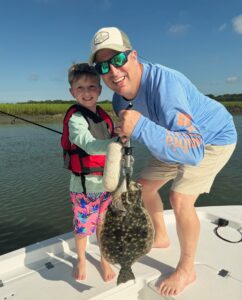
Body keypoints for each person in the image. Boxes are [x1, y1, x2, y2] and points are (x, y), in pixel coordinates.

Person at [88, 27, 237, 296]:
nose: (113, 71)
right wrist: (121, 138)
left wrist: (140, 126)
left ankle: (187, 268)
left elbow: (193, 152)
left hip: (211, 139)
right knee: (141, 189)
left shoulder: (165, 84)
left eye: (118, 59)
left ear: (133, 56)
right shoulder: (119, 100)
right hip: (171, 139)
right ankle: (162, 236)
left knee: (180, 198)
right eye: (103, 66)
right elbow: (135, 130)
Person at [62, 63, 117, 282]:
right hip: (83, 188)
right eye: (81, 87)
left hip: (106, 185)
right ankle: (82, 259)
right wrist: (115, 143)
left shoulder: (103, 116)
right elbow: (88, 143)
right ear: (72, 91)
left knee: (103, 225)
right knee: (83, 228)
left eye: (92, 86)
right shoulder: (76, 119)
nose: (87, 92)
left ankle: (104, 259)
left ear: (100, 89)